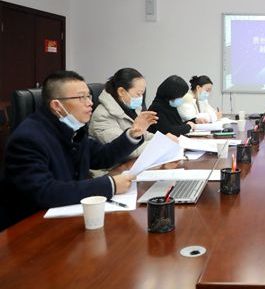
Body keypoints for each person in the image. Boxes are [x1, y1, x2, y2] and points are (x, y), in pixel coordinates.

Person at [0, 70, 157, 230]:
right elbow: (45, 191)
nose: (90, 103)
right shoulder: (28, 138)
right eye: (81, 97)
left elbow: (101, 157)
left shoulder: (72, 128)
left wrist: (132, 135)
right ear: (56, 105)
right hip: (31, 228)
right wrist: (110, 185)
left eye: (89, 96)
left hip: (69, 216)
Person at [89, 68, 154, 158]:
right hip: (114, 166)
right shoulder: (102, 116)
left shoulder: (131, 108)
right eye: (138, 94)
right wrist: (159, 145)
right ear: (121, 92)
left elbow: (142, 134)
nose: (141, 98)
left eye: (142, 94)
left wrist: (162, 139)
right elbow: (128, 150)